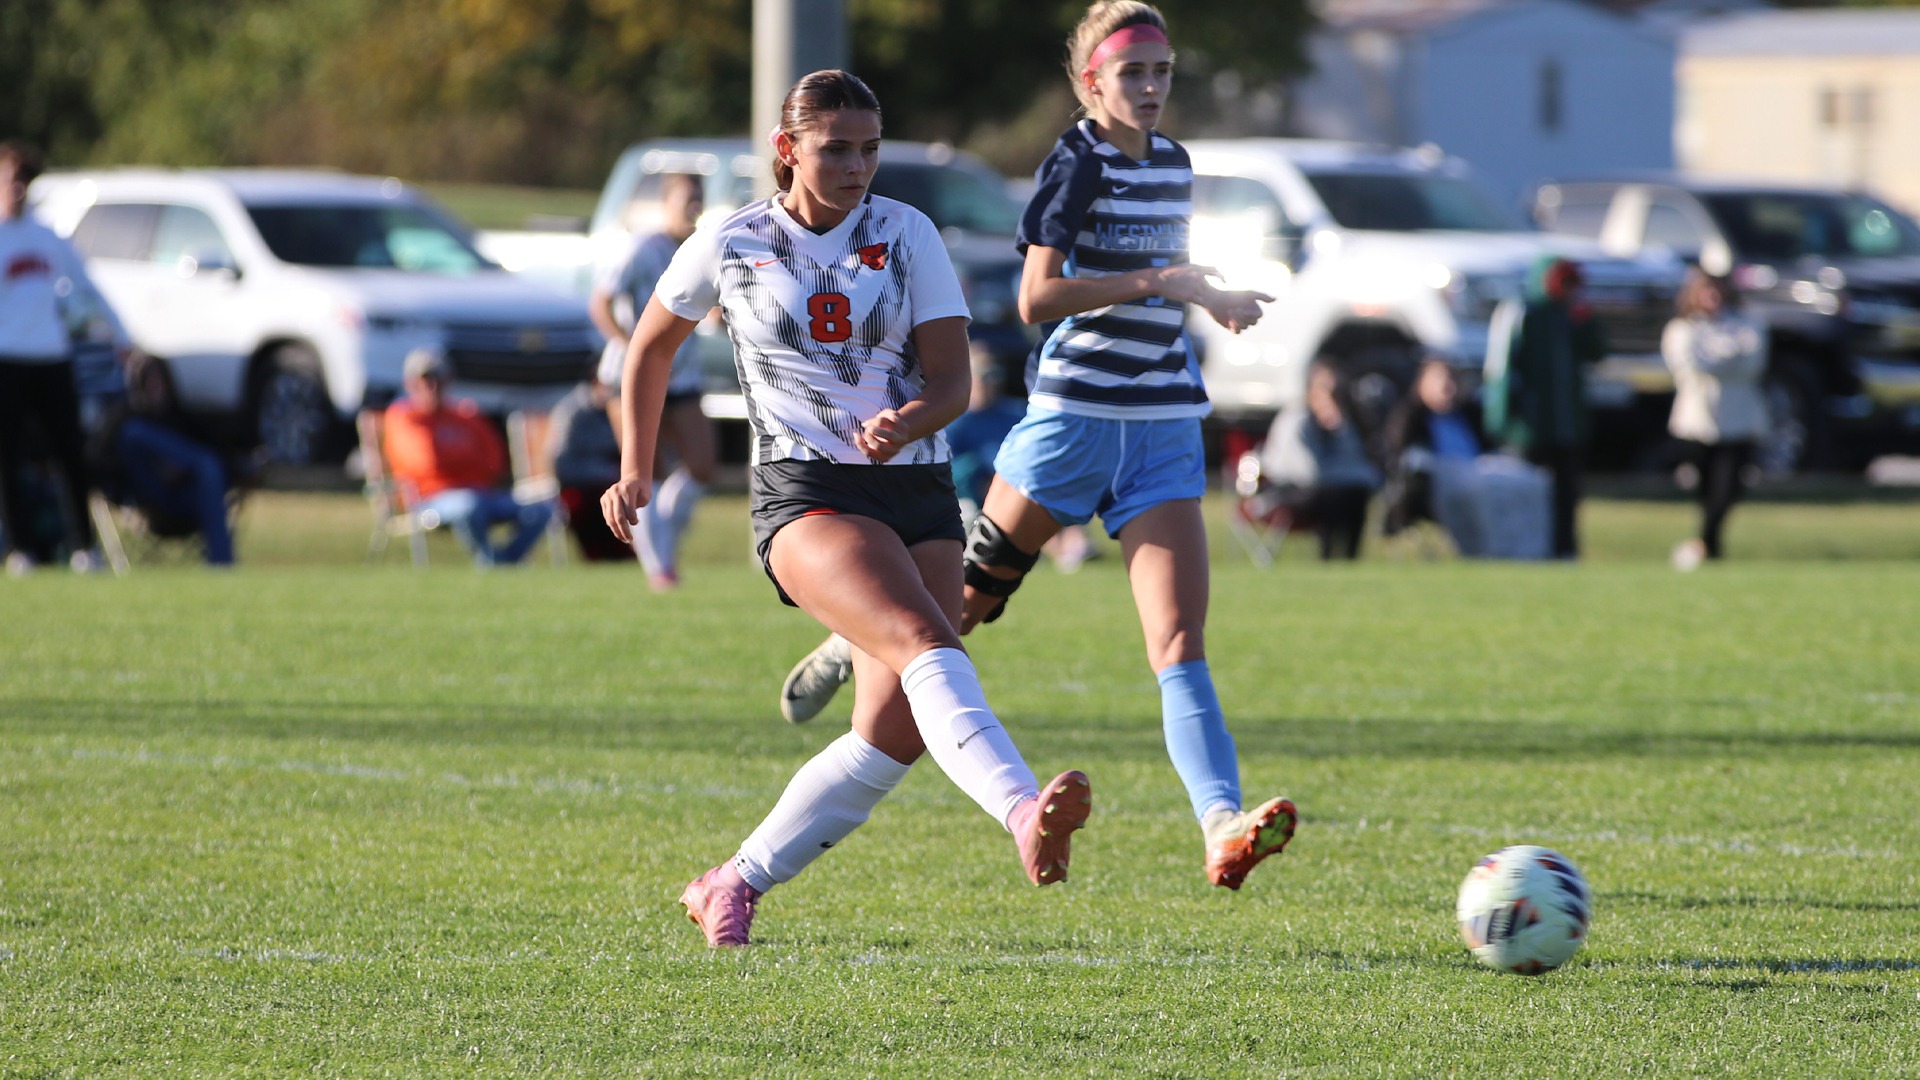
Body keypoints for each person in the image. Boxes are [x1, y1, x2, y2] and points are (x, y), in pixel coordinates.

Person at [601, 69, 1090, 948]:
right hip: (807, 491)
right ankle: (1023, 812)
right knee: (924, 639)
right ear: (787, 150)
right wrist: (636, 467)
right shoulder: (731, 239)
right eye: (836, 150)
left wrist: (913, 419)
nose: (858, 166)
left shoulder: (907, 231)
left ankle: (730, 882)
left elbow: (954, 383)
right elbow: (649, 350)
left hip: (917, 489)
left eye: (869, 149)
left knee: (893, 732)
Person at [954, 0, 1294, 891]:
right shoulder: (1075, 162)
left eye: (1162, 72)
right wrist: (1158, 280)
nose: (1150, 88)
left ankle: (1221, 826)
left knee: (1179, 640)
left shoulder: (1174, 163)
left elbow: (1162, 284)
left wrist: (1209, 298)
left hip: (1164, 424)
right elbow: (1036, 297)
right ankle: (860, 641)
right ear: (1090, 82)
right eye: (1132, 73)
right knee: (960, 611)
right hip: (1073, 420)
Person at [1, 138, 124, 574]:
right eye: (10, 179)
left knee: (69, 453)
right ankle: (20, 549)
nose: (17, 188)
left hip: (51, 358)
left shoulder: (47, 238)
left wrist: (123, 336)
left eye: (23, 180)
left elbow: (89, 288)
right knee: (8, 458)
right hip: (7, 359)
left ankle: (83, 548)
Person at [589, 173, 715, 591]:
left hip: (683, 373)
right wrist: (629, 347)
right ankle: (659, 570)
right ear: (666, 204)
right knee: (646, 472)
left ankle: (665, 547)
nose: (694, 207)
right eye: (686, 199)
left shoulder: (700, 247)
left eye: (699, 199)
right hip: (634, 374)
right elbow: (601, 302)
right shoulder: (642, 249)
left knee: (702, 465)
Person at [382, 346, 553, 567]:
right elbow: (427, 462)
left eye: (438, 379)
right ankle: (489, 562)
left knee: (541, 510)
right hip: (429, 498)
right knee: (469, 505)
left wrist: (456, 459)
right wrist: (467, 458)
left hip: (481, 493)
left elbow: (495, 460)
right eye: (425, 380)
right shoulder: (404, 417)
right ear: (410, 384)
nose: (432, 386)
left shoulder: (465, 414)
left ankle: (505, 562)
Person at [1482, 255, 1604, 559]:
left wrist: (1588, 322)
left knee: (1567, 493)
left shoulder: (1571, 315)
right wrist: (1501, 419)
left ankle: (1565, 549)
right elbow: (1501, 370)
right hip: (1531, 428)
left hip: (1568, 426)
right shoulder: (1523, 312)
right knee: (1529, 493)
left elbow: (1597, 354)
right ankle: (1527, 549)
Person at [1662, 267, 1768, 570]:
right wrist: (1728, 357)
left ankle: (1706, 544)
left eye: (1717, 290)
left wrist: (1716, 360)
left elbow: (1752, 363)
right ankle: (1710, 547)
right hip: (1697, 423)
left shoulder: (1746, 323)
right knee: (1704, 489)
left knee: (1728, 488)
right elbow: (1688, 364)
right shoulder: (1683, 328)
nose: (1712, 297)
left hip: (1739, 422)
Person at [93, 352, 242, 565]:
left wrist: (180, 472)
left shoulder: (181, 419)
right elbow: (101, 461)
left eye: (159, 380)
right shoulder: (124, 417)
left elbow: (219, 452)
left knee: (209, 472)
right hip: (144, 498)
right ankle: (223, 563)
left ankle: (222, 565)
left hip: (184, 499)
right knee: (134, 434)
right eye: (149, 381)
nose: (156, 387)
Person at [1258, 359, 1381, 560]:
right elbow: (1308, 472)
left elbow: (1358, 466)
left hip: (1325, 487)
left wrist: (1340, 427)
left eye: (1336, 392)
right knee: (1333, 495)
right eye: (1324, 390)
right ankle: (1328, 557)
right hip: (1285, 489)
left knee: (1356, 493)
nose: (1330, 397)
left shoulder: (1341, 422)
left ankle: (1350, 558)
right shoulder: (1297, 420)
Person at [544, 376, 632, 562]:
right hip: (583, 487)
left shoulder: (625, 409)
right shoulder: (572, 413)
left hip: (616, 481)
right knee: (587, 506)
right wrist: (609, 473)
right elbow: (564, 465)